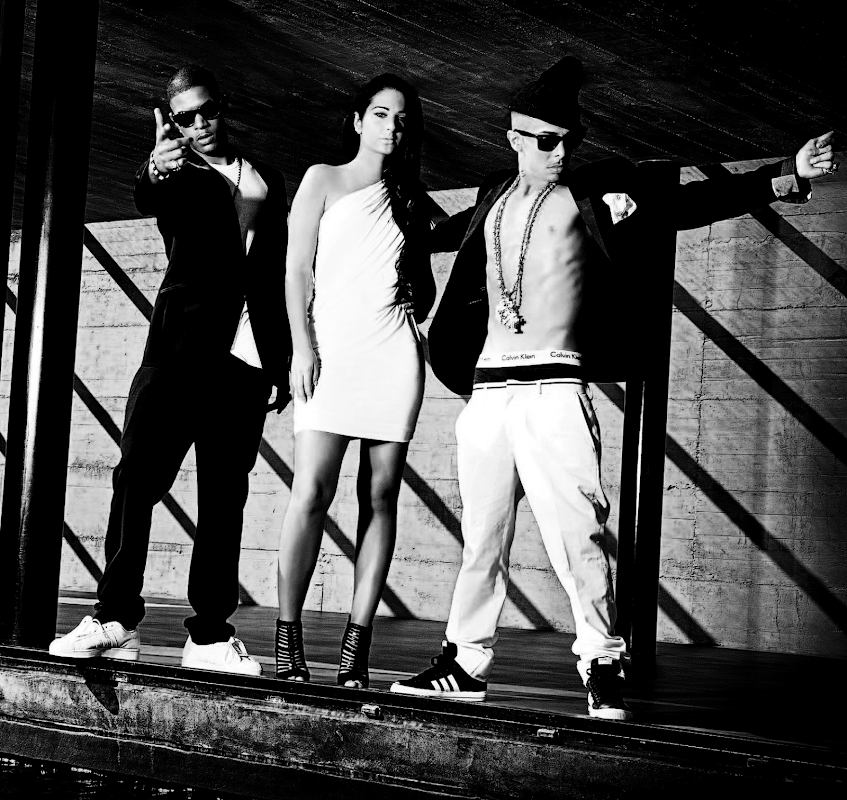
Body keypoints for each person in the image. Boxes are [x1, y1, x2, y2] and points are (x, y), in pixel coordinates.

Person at [390, 56, 836, 718]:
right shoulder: (491, 197)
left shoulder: (595, 193)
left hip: (553, 387)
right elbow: (434, 237)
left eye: (568, 140)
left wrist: (783, 175)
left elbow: (685, 205)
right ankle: (464, 663)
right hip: (487, 394)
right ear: (513, 137)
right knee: (482, 539)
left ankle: (601, 660)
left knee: (579, 537)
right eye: (546, 140)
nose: (560, 152)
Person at [49, 65, 290, 675]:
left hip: (245, 361)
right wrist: (154, 166)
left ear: (223, 106)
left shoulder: (267, 177)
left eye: (208, 110)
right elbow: (148, 192)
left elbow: (275, 276)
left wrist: (280, 361)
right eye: (186, 118)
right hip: (178, 352)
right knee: (136, 479)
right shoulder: (176, 172)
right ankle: (115, 618)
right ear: (173, 123)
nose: (200, 124)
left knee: (224, 499)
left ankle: (209, 635)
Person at [275, 74, 435, 688]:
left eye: (402, 118)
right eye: (381, 114)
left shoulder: (411, 198)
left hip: (393, 354)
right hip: (330, 354)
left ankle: (354, 649)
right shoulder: (322, 178)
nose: (392, 126)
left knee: (381, 496)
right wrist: (302, 347)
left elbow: (436, 259)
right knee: (310, 492)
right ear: (358, 120)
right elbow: (295, 271)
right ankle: (288, 641)